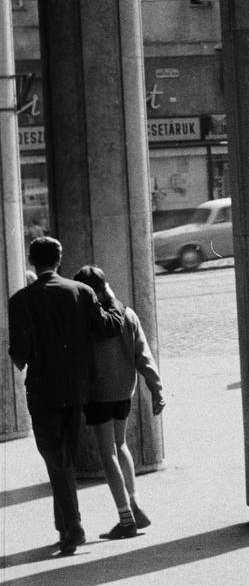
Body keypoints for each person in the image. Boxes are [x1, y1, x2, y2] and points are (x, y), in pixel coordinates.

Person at [8, 236, 124, 555]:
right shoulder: (82, 292)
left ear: (32, 261)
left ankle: (72, 525)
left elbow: (19, 356)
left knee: (55, 460)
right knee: (65, 460)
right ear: (60, 260)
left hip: (43, 391)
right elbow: (109, 326)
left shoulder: (20, 300)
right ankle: (65, 528)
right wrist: (110, 296)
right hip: (76, 390)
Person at [73, 266, 165, 539]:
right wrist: (156, 388)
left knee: (107, 453)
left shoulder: (84, 321)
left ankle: (125, 518)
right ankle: (135, 502)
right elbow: (143, 356)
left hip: (98, 394)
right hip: (124, 391)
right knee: (121, 444)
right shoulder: (127, 314)